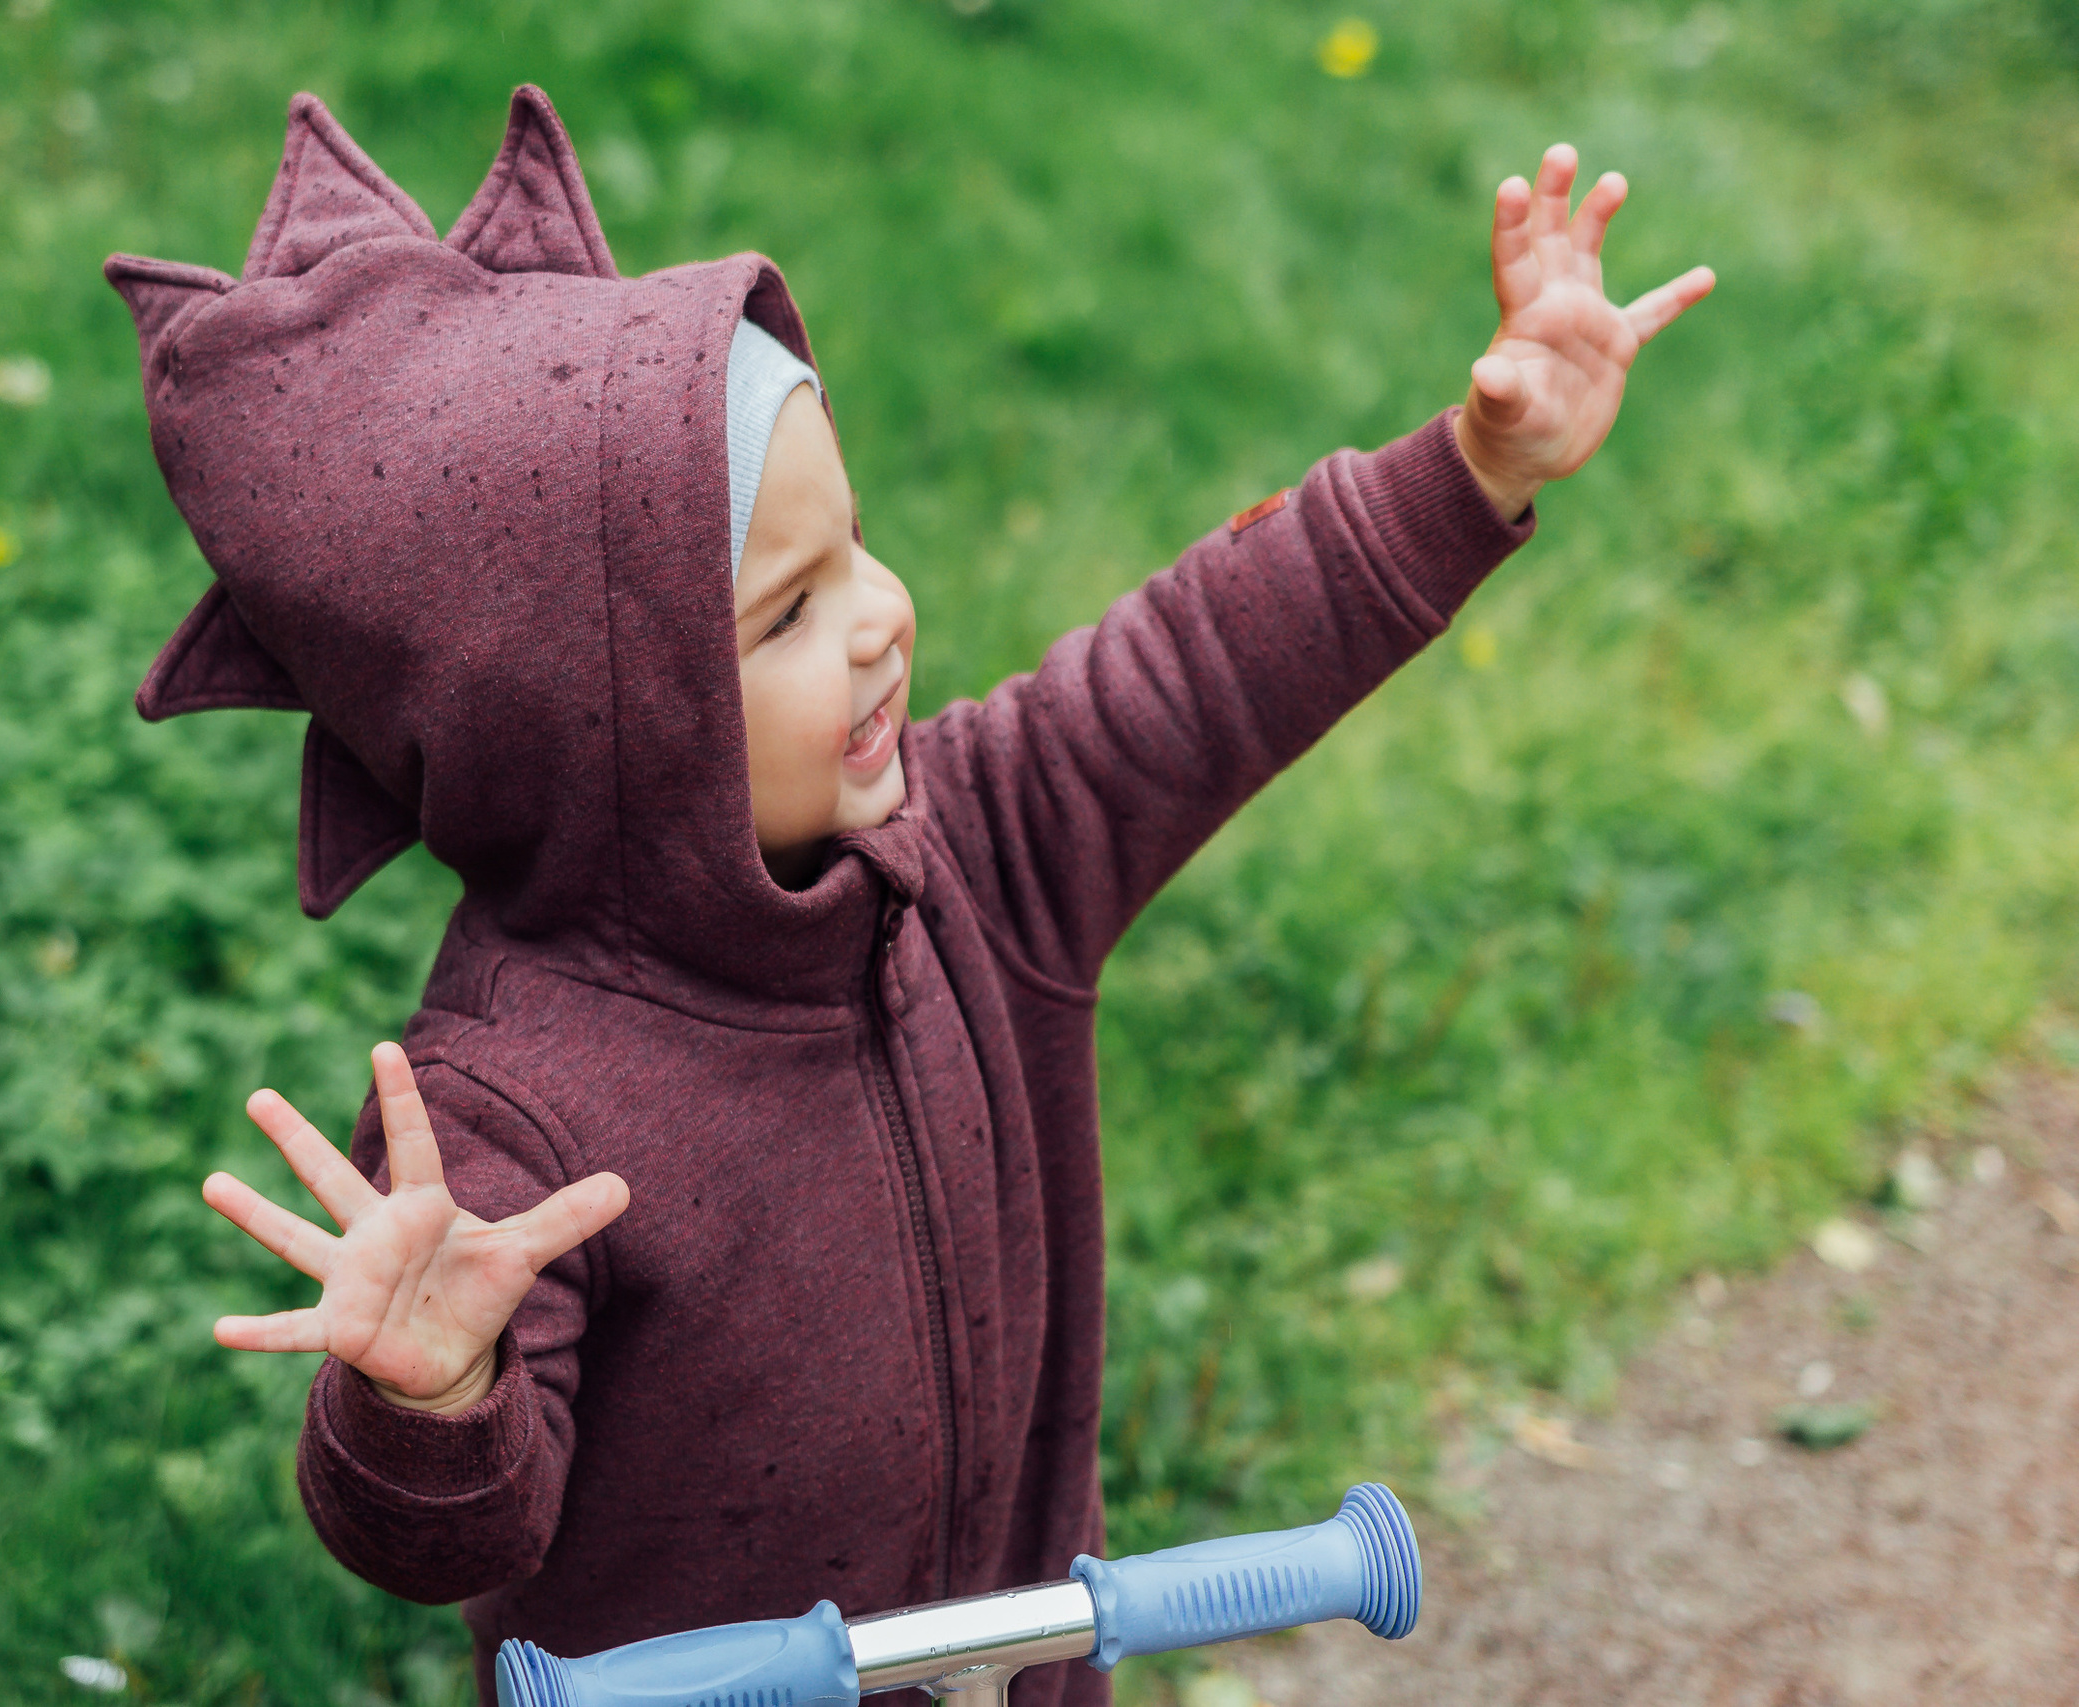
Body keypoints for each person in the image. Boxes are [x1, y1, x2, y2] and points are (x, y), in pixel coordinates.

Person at [104, 85, 1710, 1706]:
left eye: (855, 547)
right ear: (599, 737)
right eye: (787, 611)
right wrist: (434, 1399)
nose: (878, 619)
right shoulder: (505, 1122)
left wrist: (1473, 465)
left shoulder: (978, 856)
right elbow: (459, 1534)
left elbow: (1203, 665)